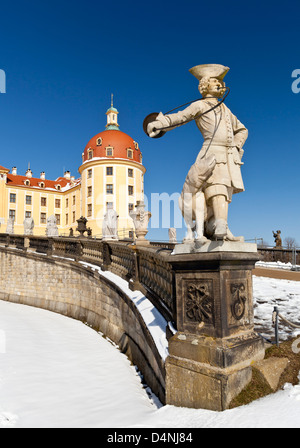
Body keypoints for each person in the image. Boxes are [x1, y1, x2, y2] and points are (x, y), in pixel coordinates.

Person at [147, 64, 248, 241]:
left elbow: (243, 130)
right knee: (216, 188)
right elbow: (180, 117)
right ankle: (220, 224)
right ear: (205, 85)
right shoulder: (199, 105)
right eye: (215, 81)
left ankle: (220, 223)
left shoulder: (226, 109)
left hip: (228, 153)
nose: (219, 84)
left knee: (225, 189)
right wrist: (161, 123)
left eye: (220, 82)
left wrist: (236, 147)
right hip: (211, 151)